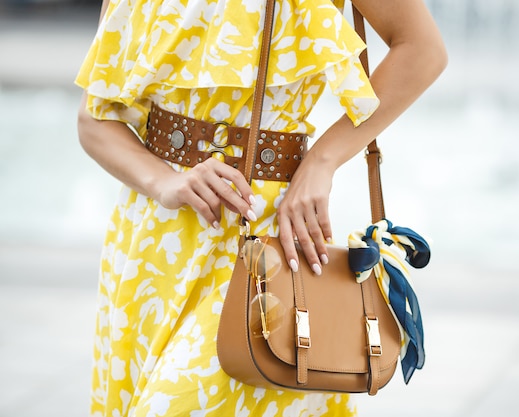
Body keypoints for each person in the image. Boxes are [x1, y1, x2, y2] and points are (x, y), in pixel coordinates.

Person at [75, 0, 447, 414]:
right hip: (150, 244)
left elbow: (422, 48)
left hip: (263, 237)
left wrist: (323, 159)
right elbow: (94, 119)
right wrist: (165, 181)